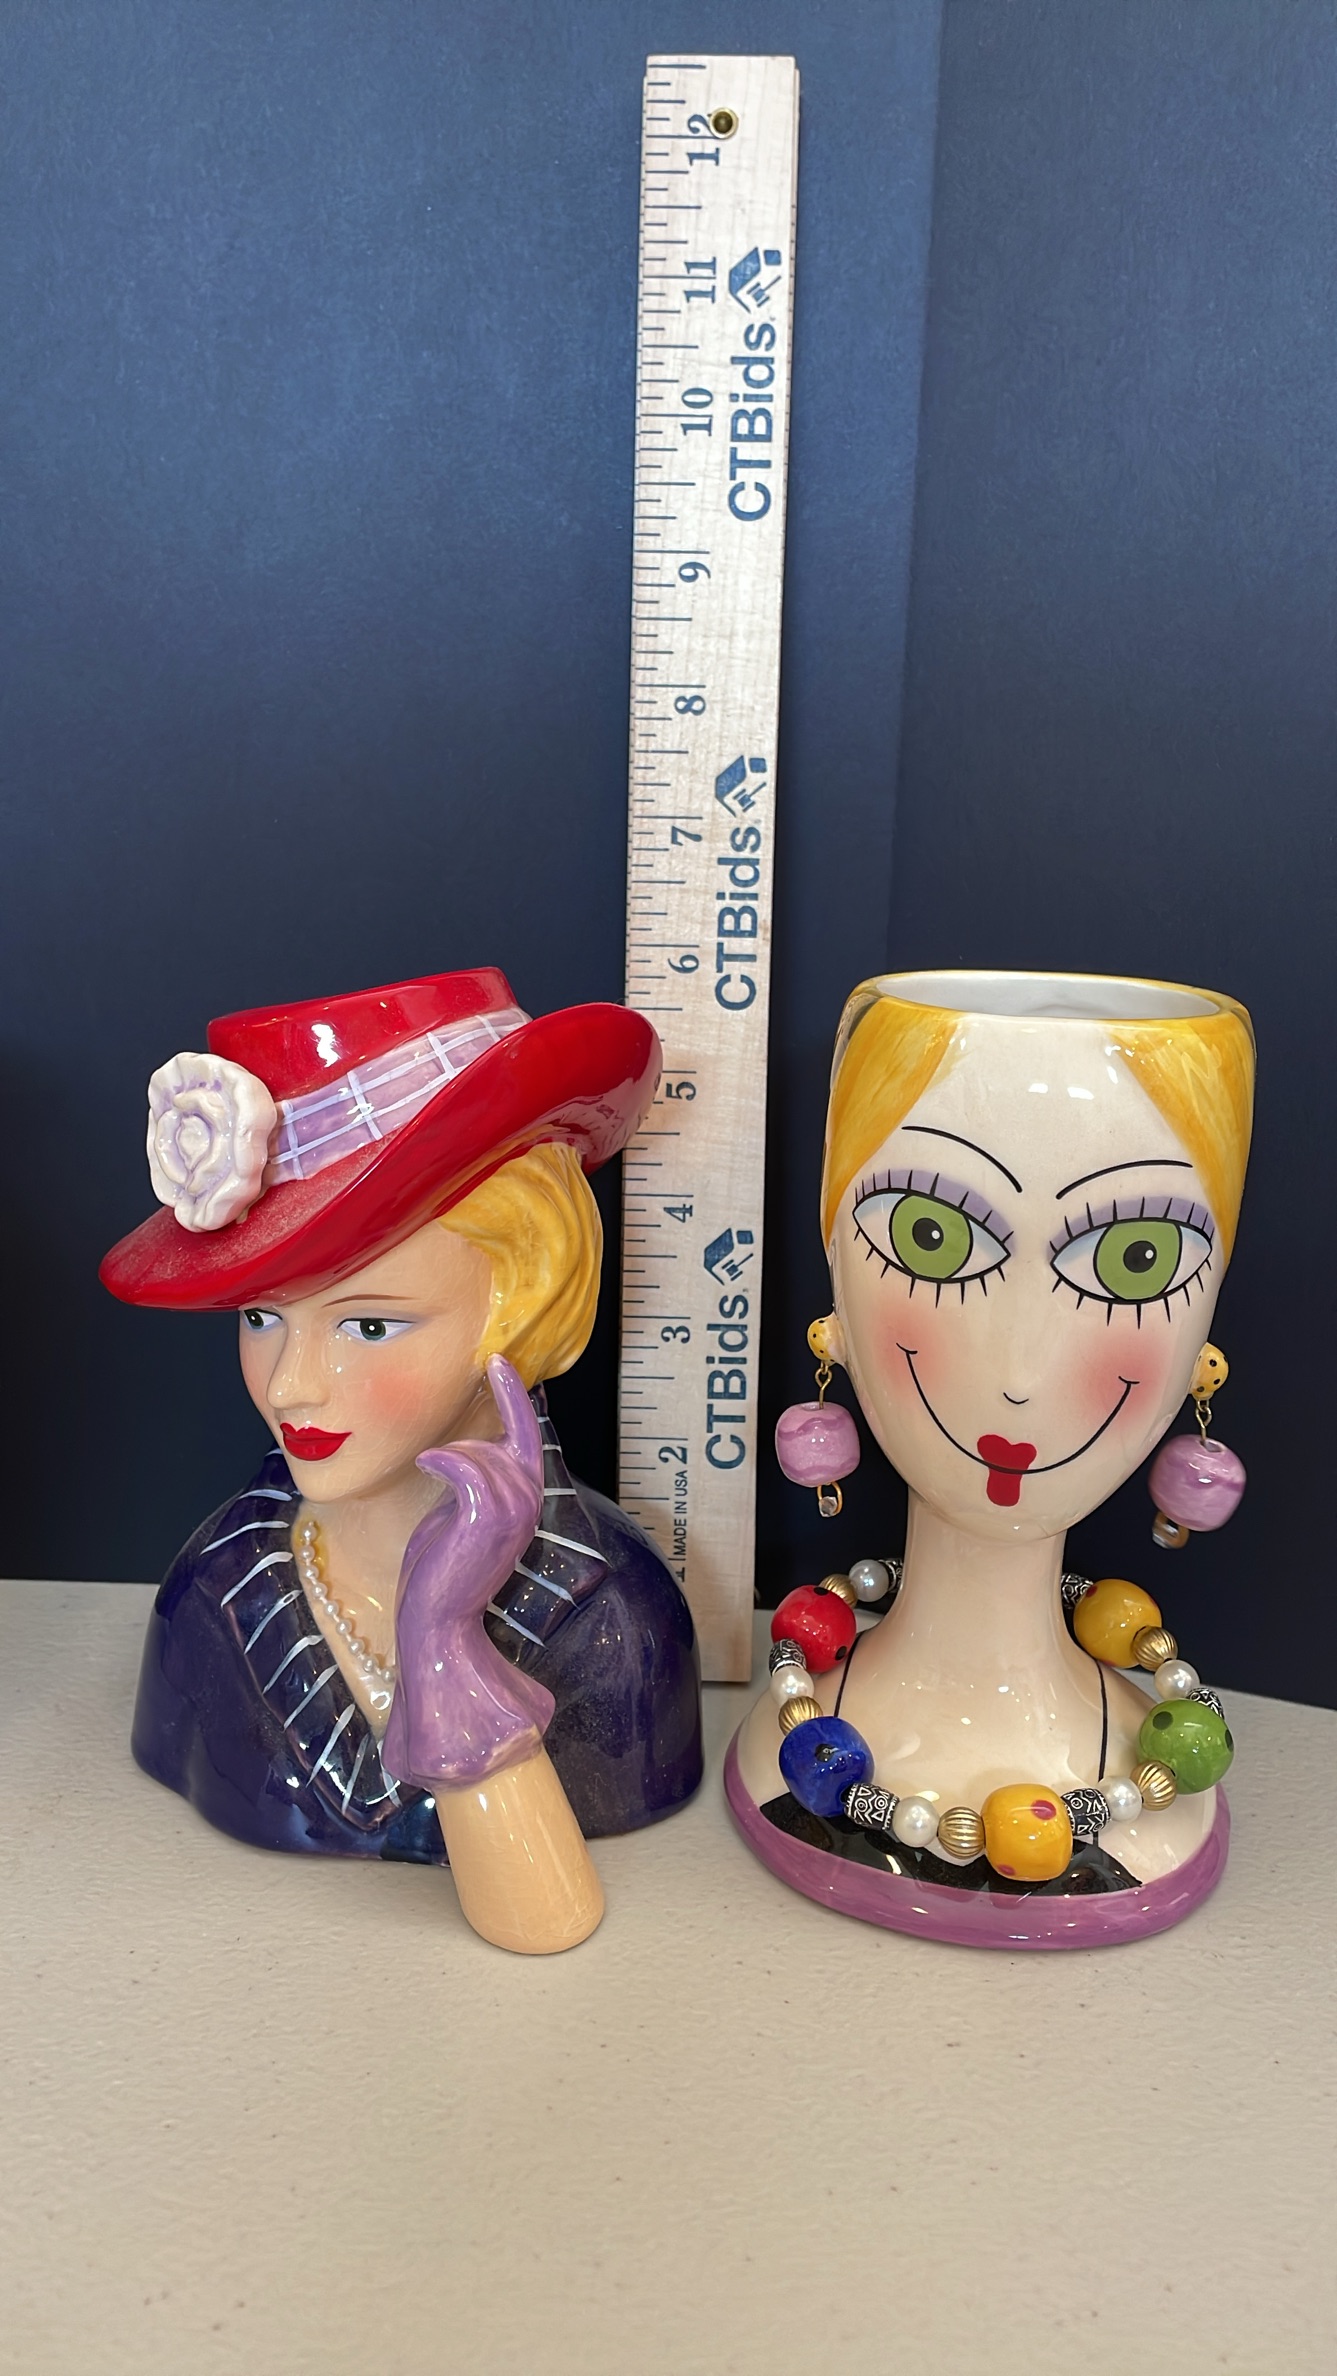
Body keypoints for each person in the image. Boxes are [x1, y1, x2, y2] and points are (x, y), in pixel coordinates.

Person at [102, 967, 703, 1949]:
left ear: (520, 1306)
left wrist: (444, 1645)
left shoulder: (613, 1620)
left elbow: (545, 1921)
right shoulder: (212, 1593)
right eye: (261, 1317)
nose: (291, 1385)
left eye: (370, 1324)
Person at [729, 968, 1254, 1948]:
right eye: (928, 1236)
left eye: (1133, 1259)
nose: (1018, 1375)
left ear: (1204, 1331)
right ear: (835, 1277)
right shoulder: (815, 1742)